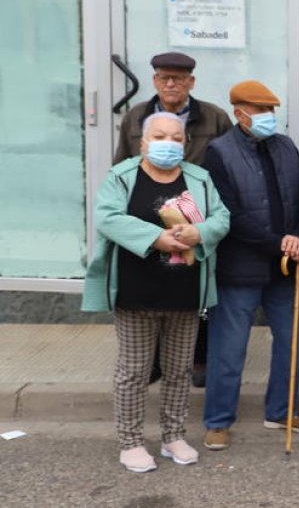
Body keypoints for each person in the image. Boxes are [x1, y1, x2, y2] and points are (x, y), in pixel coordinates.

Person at [81, 112, 230, 472]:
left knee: (179, 370)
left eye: (176, 138)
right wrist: (156, 238)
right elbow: (108, 217)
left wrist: (201, 233)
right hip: (136, 292)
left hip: (185, 292)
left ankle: (173, 435)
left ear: (186, 143)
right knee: (134, 371)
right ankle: (130, 442)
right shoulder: (122, 176)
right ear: (144, 142)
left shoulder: (200, 178)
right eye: (160, 136)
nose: (169, 144)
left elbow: (222, 218)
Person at [200, 80, 299, 452]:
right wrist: (278, 243)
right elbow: (228, 212)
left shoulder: (285, 146)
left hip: (285, 268)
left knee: (290, 342)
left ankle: (281, 411)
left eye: (271, 111)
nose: (268, 117)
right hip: (240, 267)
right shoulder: (218, 152)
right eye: (260, 111)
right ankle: (218, 421)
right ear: (239, 113)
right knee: (229, 348)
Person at [114, 51, 233, 388]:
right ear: (154, 81)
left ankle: (198, 359)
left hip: (196, 218)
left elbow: (227, 165)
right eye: (164, 77)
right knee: (148, 287)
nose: (170, 84)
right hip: (146, 215)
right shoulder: (136, 117)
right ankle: (149, 362)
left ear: (190, 82)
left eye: (178, 79)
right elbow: (121, 165)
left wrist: (210, 217)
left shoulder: (214, 117)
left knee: (193, 288)